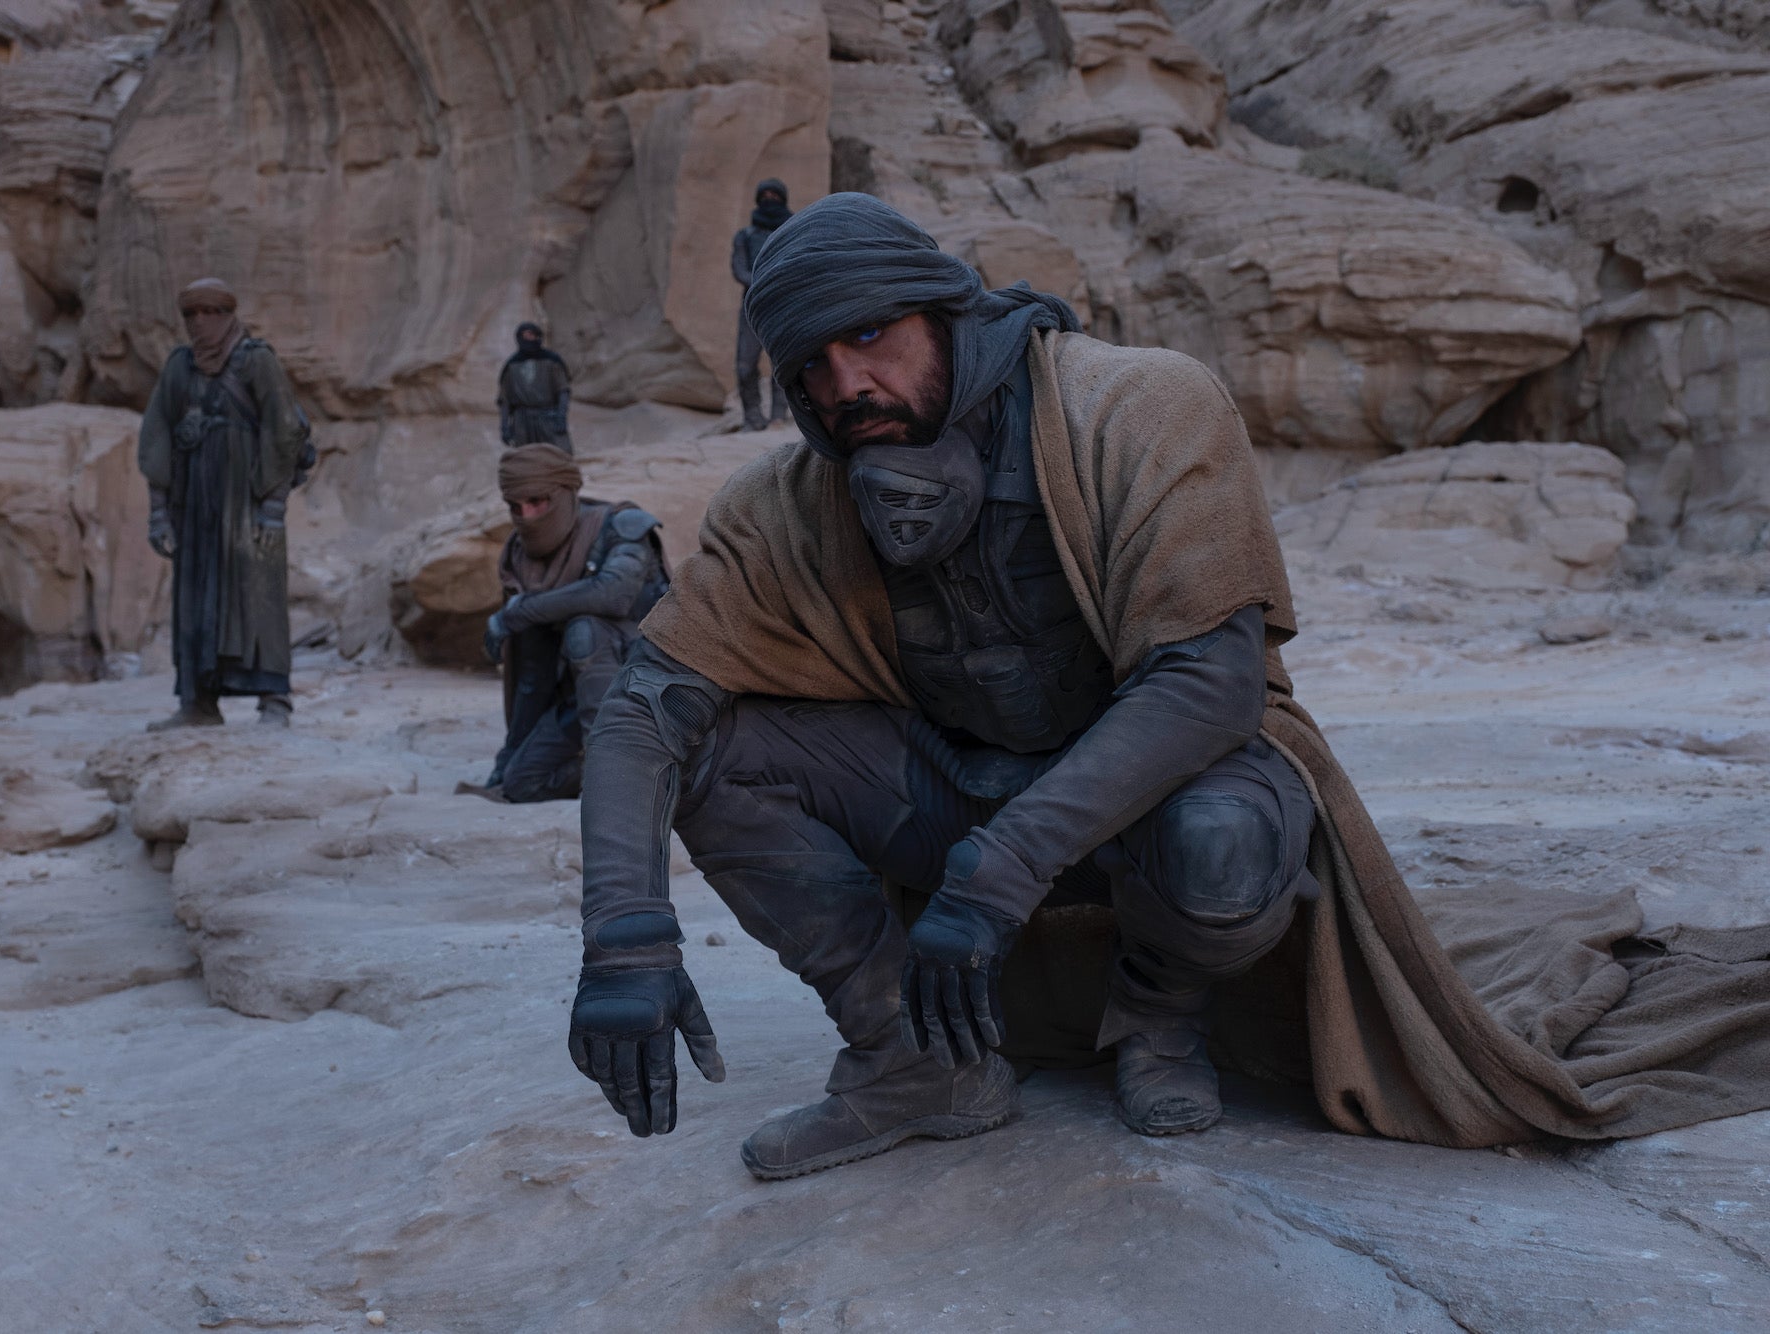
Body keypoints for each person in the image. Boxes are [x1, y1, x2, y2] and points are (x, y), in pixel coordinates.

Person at [562, 194, 1770, 1182]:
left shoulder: (1133, 403)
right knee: (718, 754)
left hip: (1157, 790)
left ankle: (1156, 1015)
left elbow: (1210, 681)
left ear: (945, 309)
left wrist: (998, 867)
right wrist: (623, 939)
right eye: (811, 366)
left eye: (870, 337)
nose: (845, 387)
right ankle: (914, 1059)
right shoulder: (788, 497)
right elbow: (644, 705)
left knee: (1224, 837)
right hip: (954, 781)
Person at [139, 278, 314, 731]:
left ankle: (274, 701)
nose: (201, 322)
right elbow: (156, 435)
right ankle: (198, 704)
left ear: (229, 313)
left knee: (258, 595)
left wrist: (272, 506)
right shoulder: (179, 367)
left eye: (211, 311)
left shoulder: (257, 362)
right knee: (194, 598)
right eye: (192, 314)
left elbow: (284, 430)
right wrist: (159, 511)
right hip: (193, 505)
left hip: (248, 503)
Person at [480, 445, 669, 803]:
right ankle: (635, 768)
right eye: (516, 507)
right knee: (522, 783)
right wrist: (509, 755)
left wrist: (517, 612)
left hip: (652, 688)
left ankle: (617, 776)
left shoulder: (620, 528)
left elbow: (614, 594)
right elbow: (532, 674)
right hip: (580, 698)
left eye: (538, 501)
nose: (528, 515)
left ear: (566, 492)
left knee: (585, 629)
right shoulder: (523, 557)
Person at [731, 179, 792, 432]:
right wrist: (761, 283)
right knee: (745, 365)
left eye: (774, 194)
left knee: (784, 362)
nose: (769, 198)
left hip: (784, 304)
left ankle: (779, 415)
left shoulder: (791, 232)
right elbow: (739, 269)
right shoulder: (745, 236)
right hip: (752, 306)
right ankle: (753, 418)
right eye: (764, 194)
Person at [498, 323, 573, 452]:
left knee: (559, 456)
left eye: (531, 335)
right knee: (526, 460)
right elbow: (505, 401)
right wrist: (505, 427)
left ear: (538, 337)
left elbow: (563, 391)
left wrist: (561, 417)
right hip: (522, 421)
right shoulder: (512, 365)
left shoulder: (552, 361)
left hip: (548, 417)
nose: (528, 338)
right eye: (524, 336)